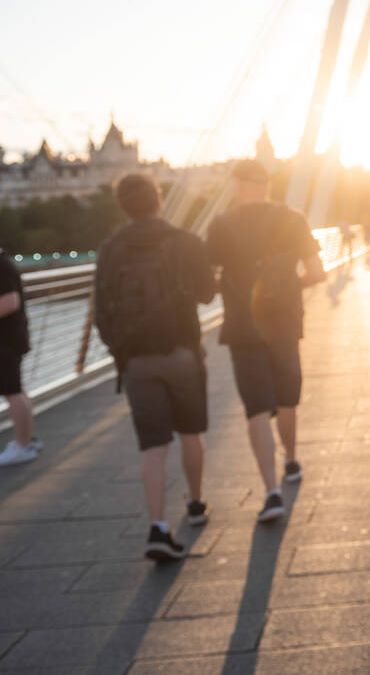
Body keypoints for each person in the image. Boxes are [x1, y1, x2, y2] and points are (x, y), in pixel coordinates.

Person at [95, 173, 216, 560]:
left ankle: (157, 527)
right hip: (183, 353)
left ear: (124, 206)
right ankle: (196, 504)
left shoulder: (110, 249)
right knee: (191, 433)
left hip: (137, 362)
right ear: (158, 199)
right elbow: (208, 293)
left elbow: (100, 313)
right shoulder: (185, 242)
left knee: (152, 446)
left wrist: (122, 351)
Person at [206, 160, 325, 523]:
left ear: (237, 185)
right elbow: (317, 272)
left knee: (257, 407)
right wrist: (288, 288)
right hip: (284, 323)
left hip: (243, 327)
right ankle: (291, 461)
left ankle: (272, 492)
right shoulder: (292, 218)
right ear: (268, 185)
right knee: (287, 398)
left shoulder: (221, 225)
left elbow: (209, 281)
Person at [0, 248, 40, 467]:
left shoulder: (1, 265)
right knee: (17, 391)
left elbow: (10, 301)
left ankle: (22, 446)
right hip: (12, 338)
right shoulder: (5, 262)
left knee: (12, 392)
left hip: (4, 341)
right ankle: (27, 440)